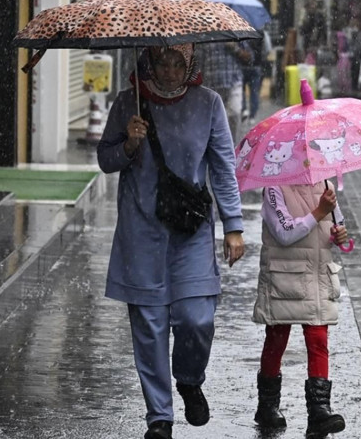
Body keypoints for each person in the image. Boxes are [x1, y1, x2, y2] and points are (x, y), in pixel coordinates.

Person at [97, 44, 245, 439]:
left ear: (191, 63)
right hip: (140, 231)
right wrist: (129, 142)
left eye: (179, 61)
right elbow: (105, 159)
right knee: (149, 327)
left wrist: (233, 225)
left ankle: (189, 379)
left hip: (191, 231)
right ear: (149, 60)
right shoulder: (129, 102)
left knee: (197, 319)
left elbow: (223, 166)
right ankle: (159, 417)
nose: (170, 69)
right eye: (163, 60)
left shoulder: (209, 104)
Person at [251, 181, 349, 439]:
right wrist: (319, 212)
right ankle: (267, 406)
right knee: (276, 339)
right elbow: (284, 233)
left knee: (318, 340)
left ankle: (319, 412)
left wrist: (340, 234)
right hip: (285, 277)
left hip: (317, 276)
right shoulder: (274, 188)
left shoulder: (324, 183)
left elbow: (333, 227)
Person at [199, 40, 253, 144]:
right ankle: (217, 149)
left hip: (233, 82)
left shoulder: (234, 34)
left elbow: (250, 58)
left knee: (234, 114)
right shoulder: (204, 36)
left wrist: (235, 48)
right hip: (211, 85)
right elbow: (198, 63)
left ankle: (233, 148)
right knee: (213, 121)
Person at [241, 30, 271, 127]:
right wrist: (260, 57)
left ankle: (244, 110)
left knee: (241, 90)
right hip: (256, 66)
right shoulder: (262, 33)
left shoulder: (240, 31)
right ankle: (252, 116)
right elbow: (268, 49)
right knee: (254, 92)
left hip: (242, 66)